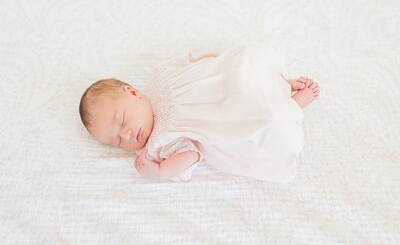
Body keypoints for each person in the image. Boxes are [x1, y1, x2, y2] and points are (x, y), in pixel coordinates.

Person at [79, 45, 320, 183]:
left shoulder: (160, 79)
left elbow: (192, 63)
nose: (127, 134)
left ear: (132, 92)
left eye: (122, 121)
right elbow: (192, 155)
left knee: (245, 74)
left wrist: (218, 62)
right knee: (258, 123)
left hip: (224, 84)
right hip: (227, 117)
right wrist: (161, 171)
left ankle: (281, 83)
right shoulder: (160, 143)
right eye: (118, 141)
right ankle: (293, 104)